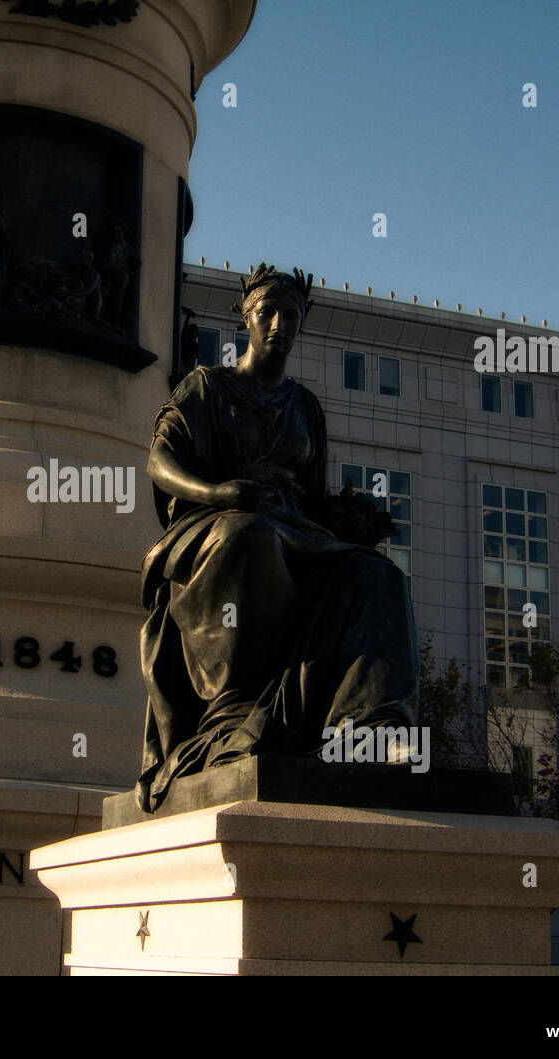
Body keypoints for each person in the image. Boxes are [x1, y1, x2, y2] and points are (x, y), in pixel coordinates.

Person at [137, 263, 419, 812]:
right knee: (253, 536)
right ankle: (233, 713)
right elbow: (158, 460)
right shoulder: (207, 386)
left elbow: (314, 502)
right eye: (269, 312)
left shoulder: (305, 408)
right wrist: (218, 493)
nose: (280, 324)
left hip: (297, 530)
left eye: (291, 315)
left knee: (378, 575)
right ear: (248, 318)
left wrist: (354, 521)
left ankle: (367, 727)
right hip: (214, 525)